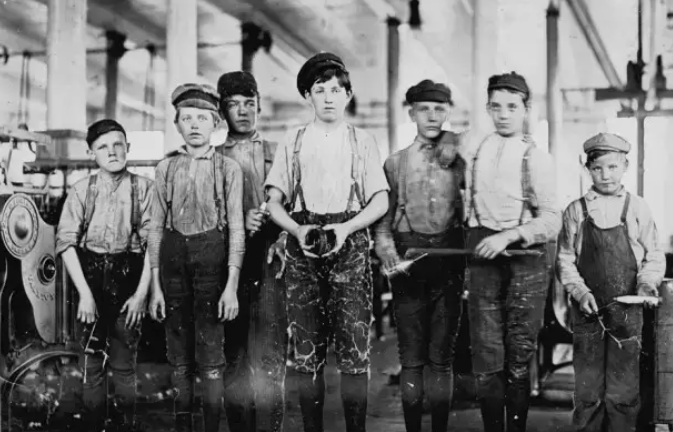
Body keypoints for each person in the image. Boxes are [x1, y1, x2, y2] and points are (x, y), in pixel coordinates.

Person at [264, 52, 389, 432]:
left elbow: (380, 200)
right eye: (320, 90)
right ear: (308, 96)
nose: (329, 97)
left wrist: (347, 228)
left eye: (336, 90)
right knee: (306, 350)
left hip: (349, 244)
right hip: (303, 244)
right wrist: (296, 229)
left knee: (355, 349)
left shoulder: (362, 140)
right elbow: (273, 202)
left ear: (348, 95)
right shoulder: (293, 140)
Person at [464, 71, 561, 432]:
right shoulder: (476, 152)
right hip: (483, 262)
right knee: (487, 358)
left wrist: (509, 236)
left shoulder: (536, 157)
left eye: (512, 107)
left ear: (525, 109)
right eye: (496, 107)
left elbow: (551, 220)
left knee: (518, 359)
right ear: (488, 108)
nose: (503, 114)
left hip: (525, 262)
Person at [147, 83, 245, 432]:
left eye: (202, 118)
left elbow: (237, 229)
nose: (194, 125)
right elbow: (155, 229)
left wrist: (231, 287)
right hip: (172, 265)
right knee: (179, 359)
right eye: (186, 118)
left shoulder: (228, 168)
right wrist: (155, 287)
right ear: (177, 124)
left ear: (215, 123)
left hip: (212, 268)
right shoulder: (165, 168)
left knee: (211, 357)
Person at [556, 132, 665, 432]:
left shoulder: (637, 208)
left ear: (625, 166)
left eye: (613, 167)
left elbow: (654, 256)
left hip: (627, 314)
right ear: (588, 169)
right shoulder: (575, 211)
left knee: (624, 390)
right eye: (598, 168)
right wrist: (579, 292)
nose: (606, 175)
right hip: (587, 312)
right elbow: (564, 260)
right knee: (588, 390)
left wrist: (646, 284)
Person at [374, 79, 466, 432]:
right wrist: (387, 252)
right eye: (424, 109)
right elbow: (383, 223)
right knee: (411, 359)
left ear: (448, 113)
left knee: (441, 360)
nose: (432, 116)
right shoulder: (395, 163)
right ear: (411, 113)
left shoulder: (460, 161)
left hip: (449, 262)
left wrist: (456, 138)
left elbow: (486, 143)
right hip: (408, 263)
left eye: (439, 109)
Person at [56, 119, 153, 432]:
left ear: (128, 147)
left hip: (129, 282)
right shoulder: (81, 190)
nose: (112, 152)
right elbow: (66, 244)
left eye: (117, 144)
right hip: (90, 281)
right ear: (91, 153)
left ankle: (125, 427)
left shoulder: (144, 189)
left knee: (124, 366)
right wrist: (84, 295)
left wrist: (140, 296)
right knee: (91, 365)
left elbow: (155, 247)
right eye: (102, 147)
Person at [215, 70, 288, 432]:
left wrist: (283, 237)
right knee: (234, 356)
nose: (243, 111)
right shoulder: (211, 158)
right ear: (222, 111)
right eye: (234, 105)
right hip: (227, 261)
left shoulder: (280, 152)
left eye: (249, 103)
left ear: (259, 106)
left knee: (270, 356)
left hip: (271, 256)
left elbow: (299, 207)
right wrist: (237, 219)